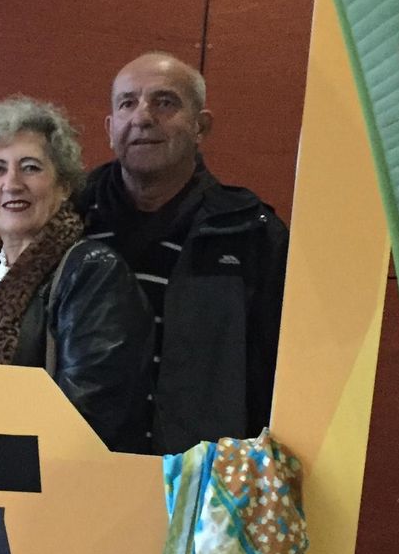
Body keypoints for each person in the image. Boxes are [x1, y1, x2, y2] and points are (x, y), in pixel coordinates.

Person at [77, 52, 289, 453]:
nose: (142, 117)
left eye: (164, 102)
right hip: (76, 470)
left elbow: (281, 375)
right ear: (110, 128)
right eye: (127, 103)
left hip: (201, 482)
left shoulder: (250, 233)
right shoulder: (68, 220)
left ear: (200, 126)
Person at [0, 95, 153, 452]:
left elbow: (88, 416)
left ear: (64, 185)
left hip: (39, 491)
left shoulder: (93, 272)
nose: (12, 183)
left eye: (31, 167)